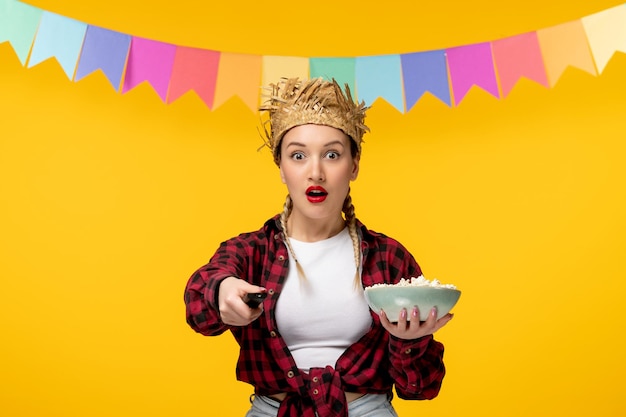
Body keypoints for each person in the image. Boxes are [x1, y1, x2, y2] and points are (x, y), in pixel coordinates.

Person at [184, 77, 454, 417]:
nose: (316, 172)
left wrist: (410, 341)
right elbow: (198, 307)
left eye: (332, 154)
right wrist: (221, 289)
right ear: (281, 168)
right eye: (298, 155)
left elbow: (421, 388)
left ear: (353, 166)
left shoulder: (389, 257)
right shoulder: (252, 250)